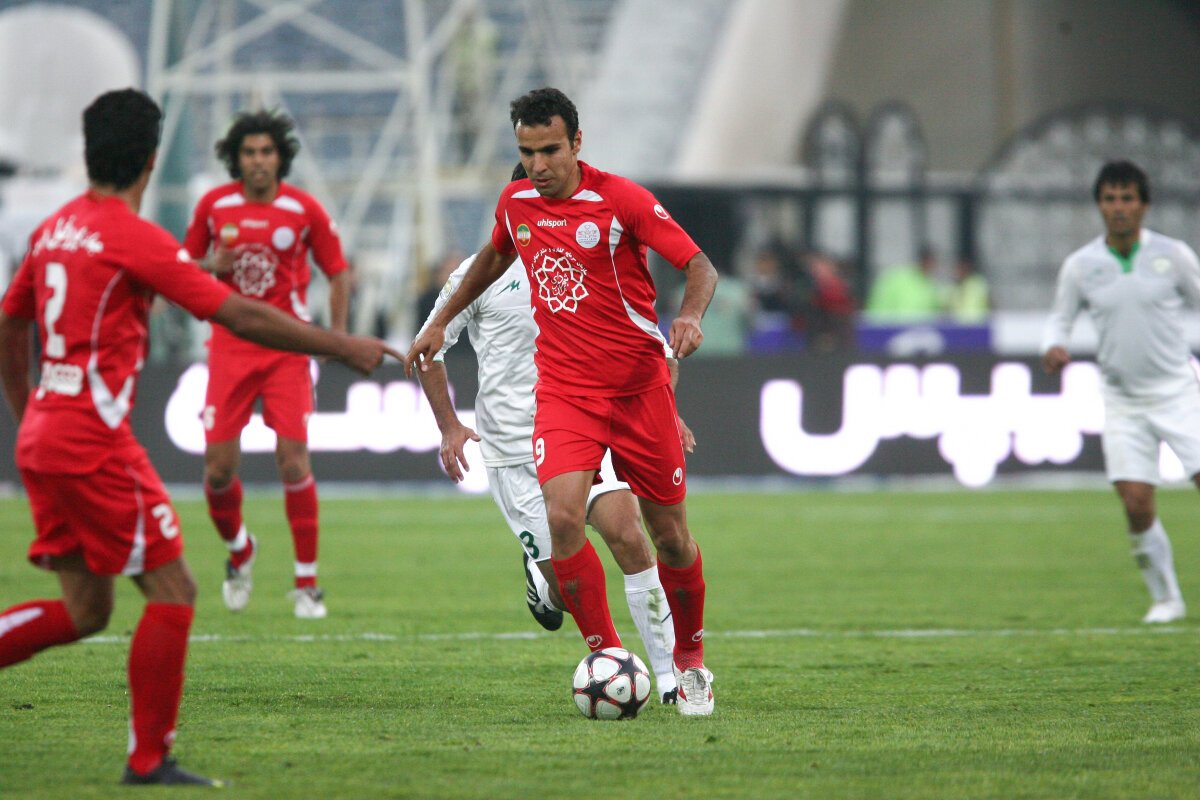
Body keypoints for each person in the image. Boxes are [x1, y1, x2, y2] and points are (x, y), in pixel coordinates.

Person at [0, 89, 396, 786]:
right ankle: (148, 760)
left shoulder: (56, 230)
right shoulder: (132, 236)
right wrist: (339, 343)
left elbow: (10, 321)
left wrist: (26, 409)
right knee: (175, 589)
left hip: (44, 435)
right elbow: (238, 314)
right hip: (92, 442)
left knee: (87, 610)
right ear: (151, 160)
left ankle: (156, 746)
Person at [406, 87, 719, 716]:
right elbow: (494, 254)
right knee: (565, 519)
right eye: (527, 153)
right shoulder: (517, 203)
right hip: (565, 395)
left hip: (636, 393)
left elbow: (700, 266)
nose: (538, 165)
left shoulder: (623, 200)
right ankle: (606, 655)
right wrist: (441, 320)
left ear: (577, 142)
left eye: (549, 150)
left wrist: (688, 316)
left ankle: (690, 663)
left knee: (667, 537)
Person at [184, 110, 350, 619]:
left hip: (286, 347)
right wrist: (209, 265)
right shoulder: (214, 206)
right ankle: (240, 551)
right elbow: (180, 267)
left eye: (267, 152)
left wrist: (337, 335)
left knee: (293, 460)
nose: (258, 161)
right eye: (249, 152)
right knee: (217, 470)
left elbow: (338, 271)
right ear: (236, 159)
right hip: (230, 346)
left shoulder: (303, 209)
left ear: (281, 157)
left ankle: (307, 585)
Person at [1042, 159, 1200, 624]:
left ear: (1144, 205)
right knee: (1135, 500)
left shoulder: (1173, 255)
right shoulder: (1081, 265)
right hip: (1123, 399)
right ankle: (1167, 599)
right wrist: (1053, 345)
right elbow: (1060, 317)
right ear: (1099, 205)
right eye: (1110, 199)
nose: (1118, 207)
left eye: (1127, 198)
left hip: (1178, 391)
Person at [864, 244, 942, 322]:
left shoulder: (931, 285)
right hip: (891, 326)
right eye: (930, 261)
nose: (933, 266)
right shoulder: (896, 278)